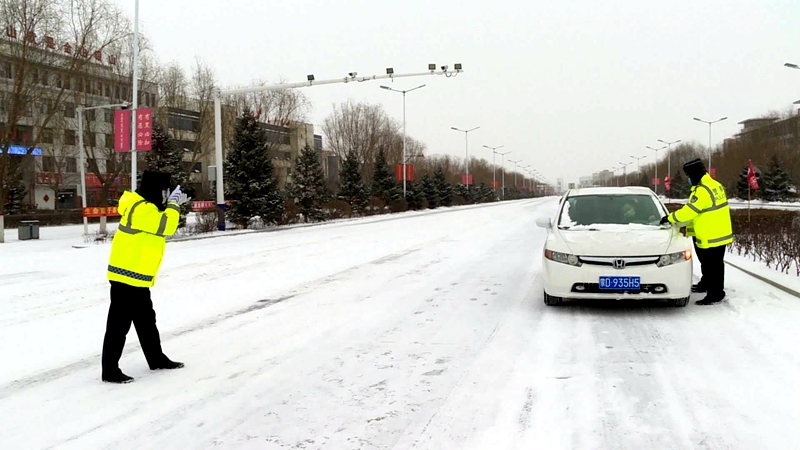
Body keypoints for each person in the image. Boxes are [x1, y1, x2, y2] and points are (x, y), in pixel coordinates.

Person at [101, 170, 190, 383]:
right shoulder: (140, 208)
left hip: (136, 275)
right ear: (154, 189)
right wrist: (174, 204)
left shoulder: (145, 205)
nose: (165, 194)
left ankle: (156, 358)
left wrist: (174, 203)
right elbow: (166, 225)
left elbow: (160, 215)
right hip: (126, 275)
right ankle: (110, 370)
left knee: (146, 321)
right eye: (163, 190)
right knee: (119, 324)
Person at [660, 159, 733, 305]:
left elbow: (690, 211)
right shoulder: (714, 184)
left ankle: (715, 294)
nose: (688, 178)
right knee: (711, 264)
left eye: (688, 175)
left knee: (712, 265)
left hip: (710, 234)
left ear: (694, 174)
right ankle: (706, 284)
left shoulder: (703, 190)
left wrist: (670, 218)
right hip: (718, 232)